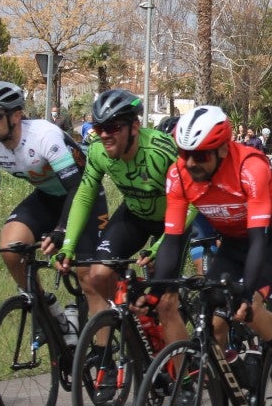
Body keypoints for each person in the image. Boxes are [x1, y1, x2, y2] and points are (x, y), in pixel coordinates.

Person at [143, 105, 272, 406]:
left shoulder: (250, 168)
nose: (190, 163)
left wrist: (248, 290)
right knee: (213, 320)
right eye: (185, 153)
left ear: (221, 149)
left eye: (200, 156)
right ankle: (231, 394)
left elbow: (258, 240)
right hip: (232, 241)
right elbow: (173, 241)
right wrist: (156, 289)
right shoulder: (179, 174)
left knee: (249, 305)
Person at [49, 90, 181, 355]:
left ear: (134, 126)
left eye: (112, 127)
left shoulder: (160, 151)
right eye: (99, 128)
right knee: (98, 275)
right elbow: (85, 194)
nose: (105, 134)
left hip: (173, 220)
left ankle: (184, 382)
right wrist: (68, 245)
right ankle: (135, 323)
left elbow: (189, 200)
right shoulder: (98, 150)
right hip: (134, 215)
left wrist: (161, 246)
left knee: (166, 304)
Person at [0, 81, 107, 311]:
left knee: (88, 278)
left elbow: (77, 188)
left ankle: (100, 344)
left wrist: (61, 230)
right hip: (48, 196)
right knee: (10, 248)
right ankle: (46, 310)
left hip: (85, 197)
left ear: (15, 116)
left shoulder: (44, 136)